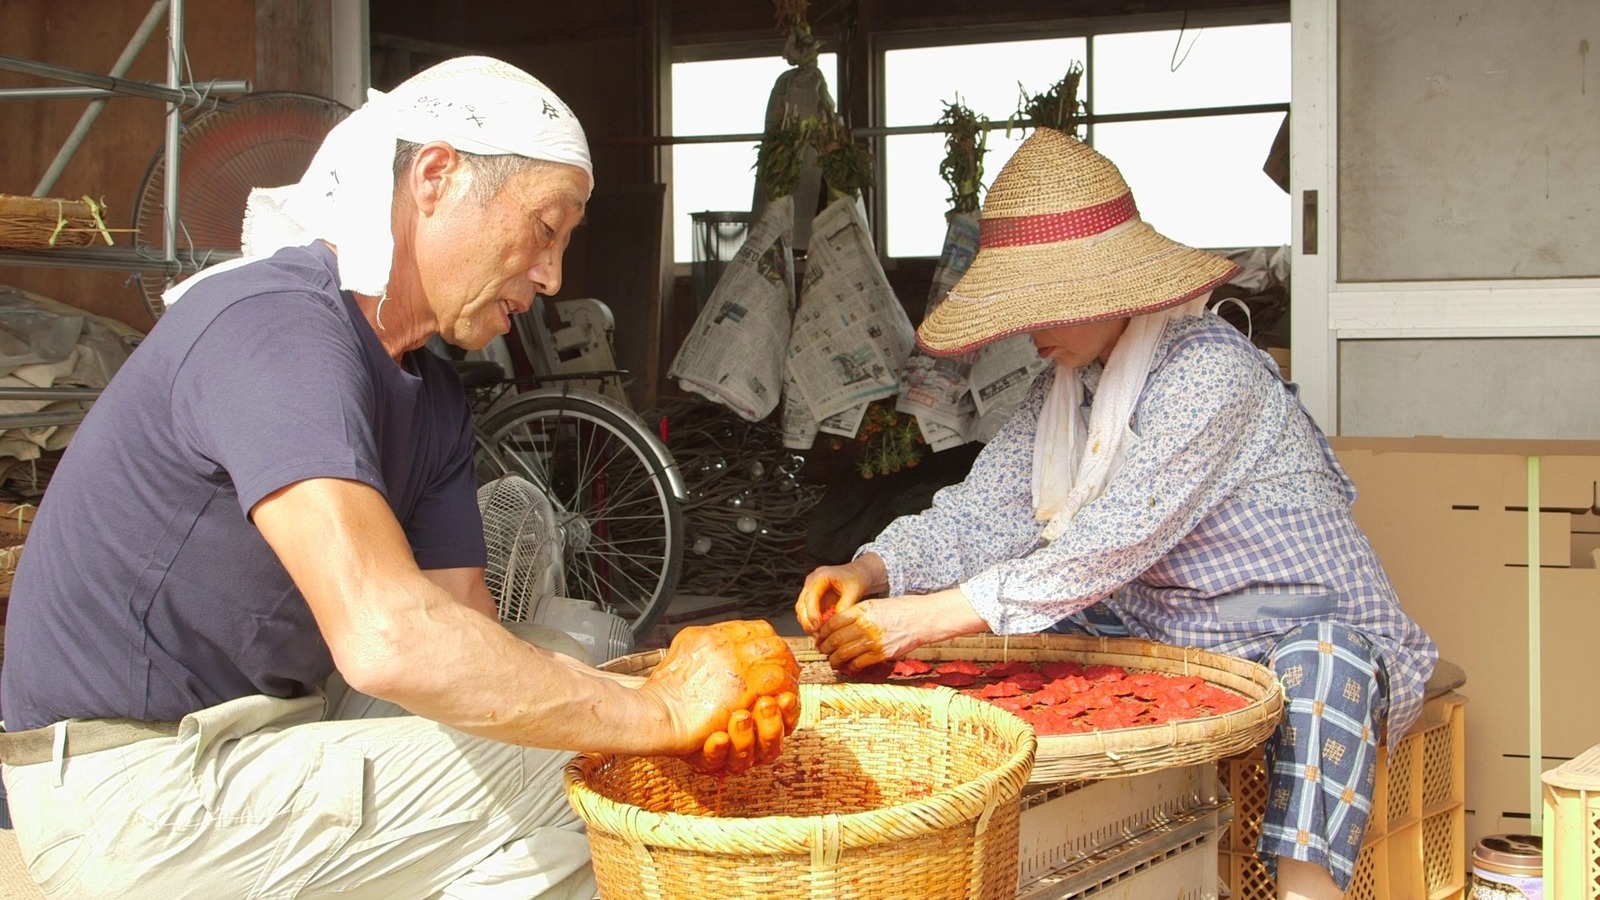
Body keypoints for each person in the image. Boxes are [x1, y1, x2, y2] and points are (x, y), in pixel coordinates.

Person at [0, 56, 800, 899]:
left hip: (261, 740)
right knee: (587, 774)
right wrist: (658, 714)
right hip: (129, 790)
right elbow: (387, 636)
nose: (553, 276)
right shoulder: (273, 325)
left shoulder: (432, 396)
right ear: (435, 177)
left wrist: (629, 680)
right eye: (544, 228)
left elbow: (464, 634)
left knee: (573, 665)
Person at [796, 128, 1436, 900]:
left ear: (1106, 294)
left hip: (1289, 628)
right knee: (1001, 667)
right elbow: (982, 512)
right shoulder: (1063, 393)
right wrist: (873, 568)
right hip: (1160, 625)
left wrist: (920, 617)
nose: (1030, 333)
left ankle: (1306, 892)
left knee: (1323, 669)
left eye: (1044, 309)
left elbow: (1106, 545)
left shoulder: (1211, 374)